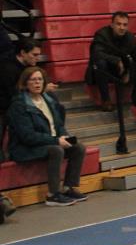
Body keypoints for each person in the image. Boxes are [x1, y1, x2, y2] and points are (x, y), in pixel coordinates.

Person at [6, 67, 88, 206]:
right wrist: (56, 141)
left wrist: (64, 137)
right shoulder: (19, 105)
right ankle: (53, 195)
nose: (37, 83)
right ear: (25, 83)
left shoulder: (49, 100)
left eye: (40, 79)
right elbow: (28, 136)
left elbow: (58, 125)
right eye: (33, 80)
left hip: (48, 142)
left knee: (78, 147)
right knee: (56, 149)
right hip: (24, 148)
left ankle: (68, 187)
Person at [87, 11, 136, 111]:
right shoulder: (102, 34)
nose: (122, 27)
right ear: (112, 25)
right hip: (102, 71)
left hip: (120, 70)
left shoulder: (130, 37)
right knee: (101, 63)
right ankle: (106, 100)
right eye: (118, 24)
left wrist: (128, 71)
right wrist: (116, 60)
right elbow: (96, 54)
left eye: (125, 25)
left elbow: (134, 55)